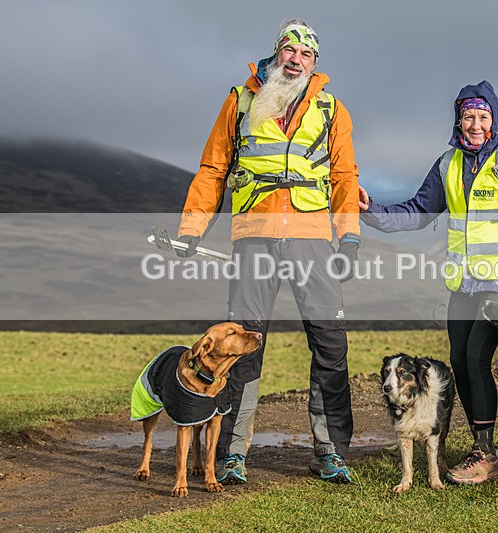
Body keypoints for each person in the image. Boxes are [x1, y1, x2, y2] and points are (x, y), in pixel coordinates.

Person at [176, 18, 360, 484]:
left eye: (306, 54)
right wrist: (192, 227)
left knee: (330, 346)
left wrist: (350, 236)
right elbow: (213, 167)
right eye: (289, 51)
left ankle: (330, 452)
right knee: (243, 349)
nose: (296, 60)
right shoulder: (240, 100)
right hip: (254, 237)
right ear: (277, 54)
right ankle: (232, 454)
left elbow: (344, 178)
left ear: (316, 62)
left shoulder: (333, 109)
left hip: (313, 240)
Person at [359, 80, 498, 485]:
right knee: (461, 365)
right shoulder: (448, 164)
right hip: (462, 286)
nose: (474, 124)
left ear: (495, 120)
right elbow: (417, 211)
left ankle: (485, 454)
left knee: (474, 359)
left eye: (483, 116)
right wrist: (370, 210)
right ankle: (480, 444)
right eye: (467, 116)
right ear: (458, 120)